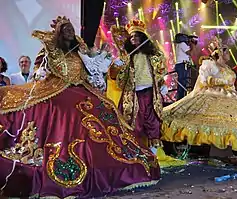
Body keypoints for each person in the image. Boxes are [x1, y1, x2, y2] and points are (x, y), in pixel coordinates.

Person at [0, 16, 160, 198]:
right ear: (59, 33)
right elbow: (39, 72)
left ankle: (110, 162)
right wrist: (42, 73)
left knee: (106, 108)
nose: (69, 31)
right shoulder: (50, 50)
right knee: (66, 112)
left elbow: (90, 75)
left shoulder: (81, 52)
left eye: (71, 28)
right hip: (56, 91)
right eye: (65, 28)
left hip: (83, 90)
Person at [109, 19, 168, 149]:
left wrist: (162, 84)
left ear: (142, 37)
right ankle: (133, 151)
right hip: (133, 94)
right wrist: (117, 66)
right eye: (131, 36)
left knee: (153, 122)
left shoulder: (154, 54)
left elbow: (160, 71)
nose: (133, 38)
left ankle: (153, 154)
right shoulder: (127, 57)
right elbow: (114, 76)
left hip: (151, 93)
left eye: (136, 36)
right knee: (133, 122)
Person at [174, 33, 193, 100]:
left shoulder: (178, 45)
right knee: (182, 82)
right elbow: (190, 53)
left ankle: (181, 97)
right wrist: (192, 45)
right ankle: (181, 98)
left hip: (180, 65)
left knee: (182, 82)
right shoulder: (182, 44)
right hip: (182, 65)